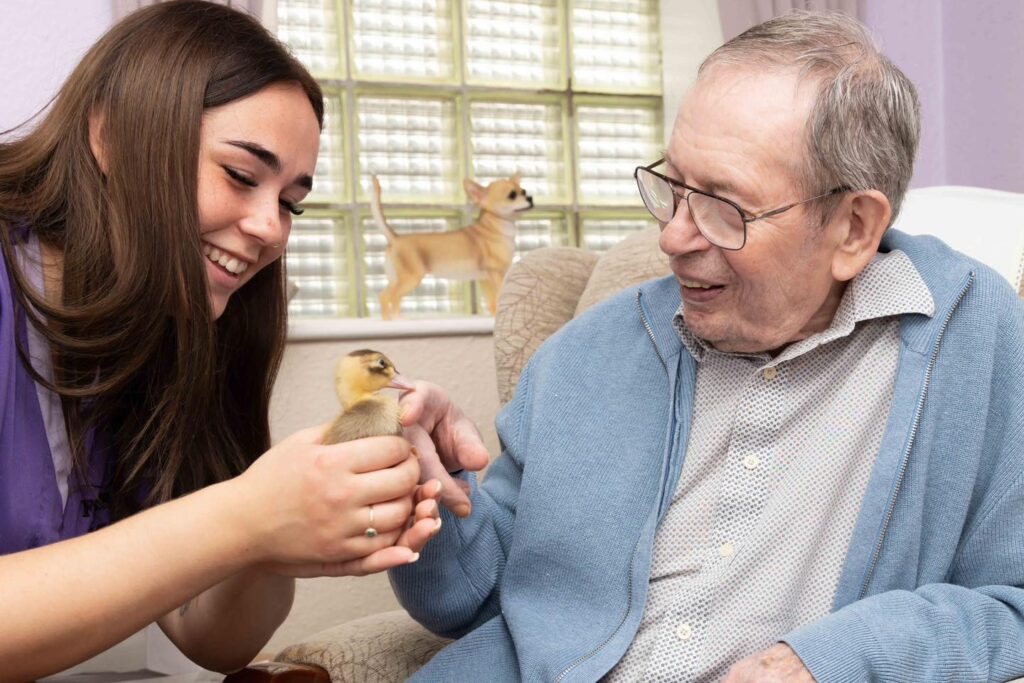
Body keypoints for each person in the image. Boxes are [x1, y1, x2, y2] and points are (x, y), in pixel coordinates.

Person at [393, 11, 1024, 682]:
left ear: (853, 228)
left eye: (724, 205)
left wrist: (833, 659)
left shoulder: (970, 335)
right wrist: (432, 490)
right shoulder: (587, 355)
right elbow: (479, 601)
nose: (672, 238)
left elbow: (1012, 601)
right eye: (674, 185)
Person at [0, 2, 488, 680]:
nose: (271, 229)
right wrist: (244, 516)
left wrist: (313, 485)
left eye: (290, 201)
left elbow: (214, 638)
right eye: (240, 174)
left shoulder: (171, 327)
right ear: (110, 136)